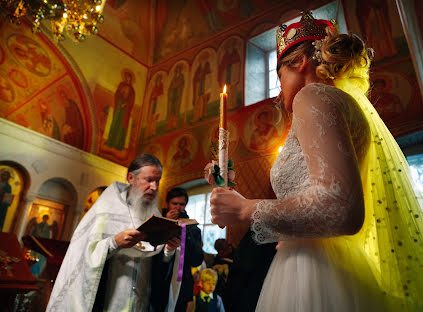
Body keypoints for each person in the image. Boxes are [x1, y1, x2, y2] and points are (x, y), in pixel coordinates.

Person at [210, 11, 423, 311]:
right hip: (331, 264)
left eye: (279, 75)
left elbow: (340, 207)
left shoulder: (312, 97)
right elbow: (314, 199)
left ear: (298, 62)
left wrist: (246, 209)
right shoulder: (340, 102)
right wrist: (240, 205)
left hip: (315, 273)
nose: (279, 89)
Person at [47, 154, 182, 312]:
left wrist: (168, 251)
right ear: (131, 177)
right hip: (109, 299)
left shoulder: (155, 215)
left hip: (141, 301)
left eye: (157, 181)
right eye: (149, 180)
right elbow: (83, 255)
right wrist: (114, 243)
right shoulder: (105, 209)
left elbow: (158, 264)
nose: (154, 187)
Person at [163, 187, 204, 312]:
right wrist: (166, 221)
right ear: (167, 204)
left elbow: (197, 260)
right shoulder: (157, 221)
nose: (177, 207)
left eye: (181, 204)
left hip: (183, 280)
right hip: (161, 278)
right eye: (174, 203)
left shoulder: (194, 228)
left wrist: (186, 230)